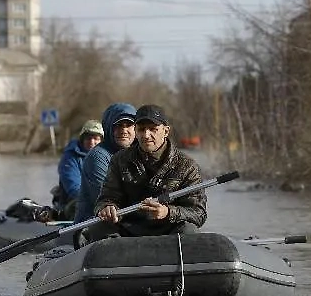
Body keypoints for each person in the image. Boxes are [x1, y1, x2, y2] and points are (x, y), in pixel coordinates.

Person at [85, 104, 206, 242]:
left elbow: (199, 214)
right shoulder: (119, 159)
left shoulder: (187, 166)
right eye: (141, 129)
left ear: (166, 131)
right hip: (128, 230)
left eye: (153, 129)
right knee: (98, 227)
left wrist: (168, 212)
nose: (146, 135)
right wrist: (107, 207)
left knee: (189, 230)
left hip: (169, 230)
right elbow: (107, 198)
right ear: (136, 131)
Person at [73, 103, 137, 223]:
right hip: (93, 224)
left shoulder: (139, 153)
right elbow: (106, 198)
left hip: (132, 221)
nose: (124, 131)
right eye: (118, 125)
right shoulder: (97, 157)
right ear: (109, 128)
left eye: (129, 125)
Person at [48, 119, 102, 221]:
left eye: (96, 138)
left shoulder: (108, 156)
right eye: (88, 138)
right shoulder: (69, 158)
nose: (92, 142)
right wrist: (97, 200)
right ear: (82, 140)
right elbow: (73, 187)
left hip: (102, 202)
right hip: (73, 203)